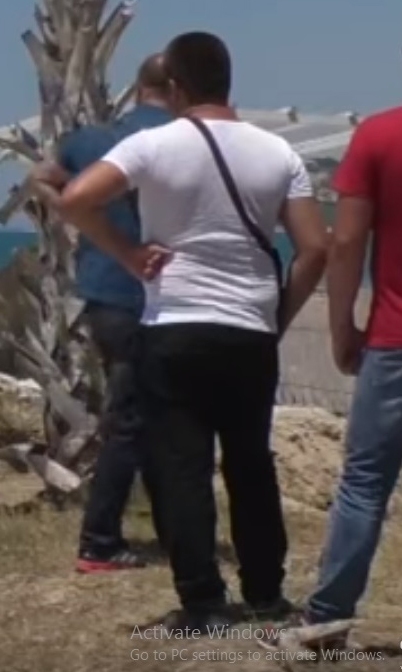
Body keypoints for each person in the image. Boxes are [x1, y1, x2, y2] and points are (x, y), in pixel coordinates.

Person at [55, 31, 328, 630]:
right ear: (228, 82)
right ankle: (266, 594)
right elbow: (314, 249)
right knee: (250, 463)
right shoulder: (277, 152)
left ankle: (203, 603)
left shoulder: (153, 144)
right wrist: (277, 317)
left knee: (183, 467)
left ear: (174, 87)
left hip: (175, 323)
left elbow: (74, 198)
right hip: (249, 327)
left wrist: (129, 255)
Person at [30, 53, 172, 574]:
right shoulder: (182, 140)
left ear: (138, 87)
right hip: (155, 296)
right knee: (135, 420)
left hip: (104, 292)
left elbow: (41, 176)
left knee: (144, 415)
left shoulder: (89, 141)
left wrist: (72, 210)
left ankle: (171, 529)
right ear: (177, 87)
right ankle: (99, 541)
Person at [300, 102, 402, 635]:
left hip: (395, 341)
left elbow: (345, 242)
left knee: (365, 483)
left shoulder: (380, 134)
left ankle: (328, 618)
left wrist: (342, 329)